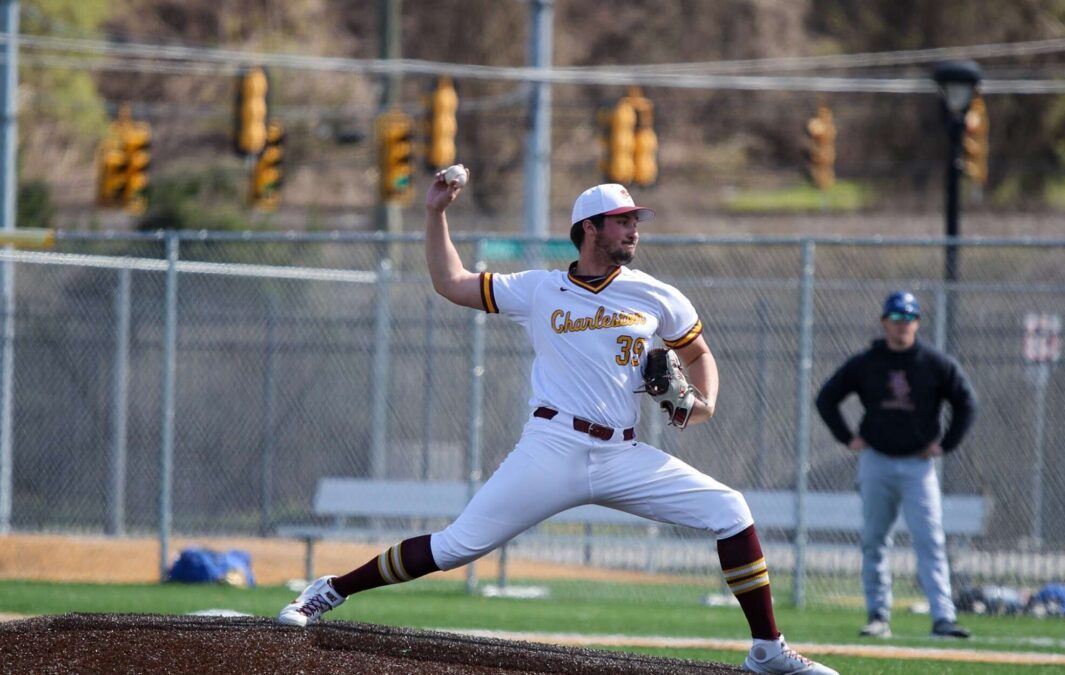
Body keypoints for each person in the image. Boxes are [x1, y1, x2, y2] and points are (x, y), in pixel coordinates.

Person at [279, 170, 837, 675]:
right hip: (552, 444)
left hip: (622, 454)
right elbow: (450, 282)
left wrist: (704, 402)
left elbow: (699, 356)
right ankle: (329, 590)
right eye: (623, 221)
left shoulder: (657, 295)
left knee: (731, 510)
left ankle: (767, 650)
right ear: (589, 228)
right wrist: (435, 213)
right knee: (454, 549)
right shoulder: (539, 289)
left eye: (634, 221)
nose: (634, 230)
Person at [815, 291, 977, 640]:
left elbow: (966, 402)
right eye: (895, 319)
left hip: (918, 466)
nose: (901, 326)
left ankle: (943, 618)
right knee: (875, 540)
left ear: (917, 323)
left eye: (908, 319)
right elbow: (826, 398)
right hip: (877, 462)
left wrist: (945, 444)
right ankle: (878, 615)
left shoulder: (935, 364)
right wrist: (848, 438)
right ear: (884, 322)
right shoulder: (868, 362)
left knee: (930, 540)